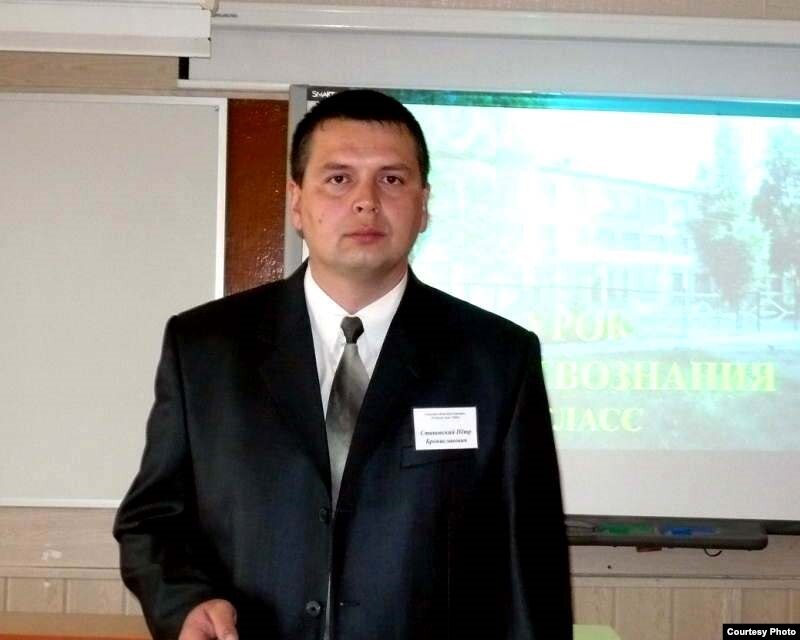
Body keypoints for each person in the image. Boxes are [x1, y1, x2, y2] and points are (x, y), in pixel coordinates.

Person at [113, 88, 572, 640]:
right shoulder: (205, 348)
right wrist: (186, 603)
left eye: (392, 179)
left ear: (424, 205)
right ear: (296, 202)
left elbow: (531, 560)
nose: (366, 202)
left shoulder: (497, 359)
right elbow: (152, 521)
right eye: (338, 178)